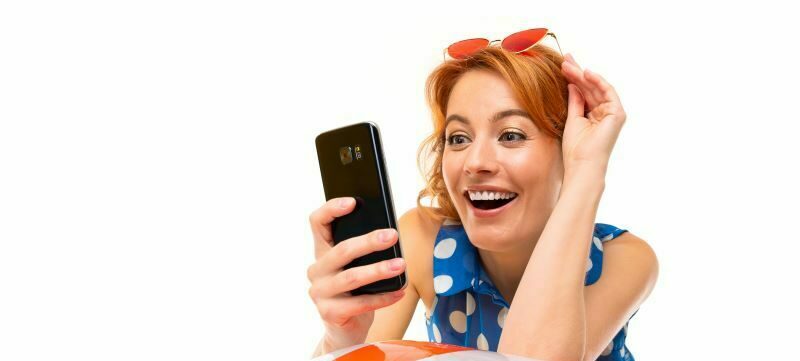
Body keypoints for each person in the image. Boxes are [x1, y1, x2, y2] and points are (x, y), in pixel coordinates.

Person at [306, 34, 659, 360]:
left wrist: (586, 169)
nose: (475, 163)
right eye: (459, 138)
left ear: (568, 147)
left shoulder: (624, 259)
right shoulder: (422, 240)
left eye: (510, 135)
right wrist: (341, 340)